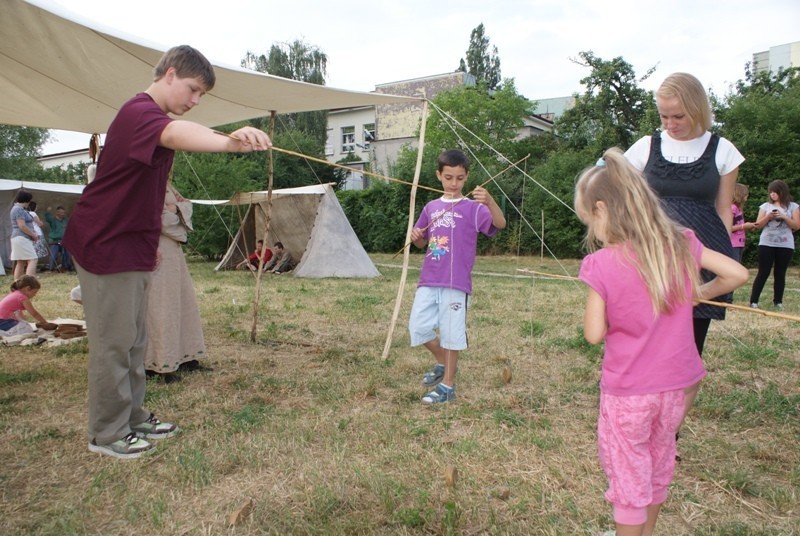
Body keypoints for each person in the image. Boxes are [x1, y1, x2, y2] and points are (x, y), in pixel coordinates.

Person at [62, 45, 271, 460]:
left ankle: (133, 416)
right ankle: (107, 434)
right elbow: (177, 134)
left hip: (132, 244)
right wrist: (231, 142)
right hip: (105, 243)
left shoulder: (152, 119)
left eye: (201, 97)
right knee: (114, 344)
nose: (194, 101)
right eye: (193, 90)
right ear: (170, 74)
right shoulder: (139, 112)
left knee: (135, 341)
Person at [576, 149, 748, 536]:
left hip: (628, 395)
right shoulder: (681, 242)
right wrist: (697, 292)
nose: (592, 231)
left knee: (628, 480)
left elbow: (592, 334)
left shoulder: (600, 264)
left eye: (589, 221)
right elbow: (737, 273)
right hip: (675, 389)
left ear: (603, 209)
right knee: (655, 466)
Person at [625, 72, 745, 358]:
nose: (670, 124)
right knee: (646, 346)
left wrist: (720, 261)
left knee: (688, 352)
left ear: (697, 108)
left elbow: (722, 210)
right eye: (664, 116)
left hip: (699, 261)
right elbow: (623, 200)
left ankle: (679, 404)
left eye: (678, 116)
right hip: (651, 257)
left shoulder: (724, 150)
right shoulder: (645, 147)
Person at [409, 149, 506, 404]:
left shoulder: (473, 209)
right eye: (449, 177)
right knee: (418, 327)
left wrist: (490, 201)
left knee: (452, 333)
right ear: (439, 175)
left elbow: (500, 224)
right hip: (429, 278)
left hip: (457, 282)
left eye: (460, 178)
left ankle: (448, 385)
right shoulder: (431, 207)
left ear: (467, 177)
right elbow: (421, 242)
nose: (454, 183)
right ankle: (443, 360)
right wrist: (416, 237)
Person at [144, 182, 207, 383]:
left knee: (182, 302)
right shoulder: (146, 182)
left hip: (173, 251)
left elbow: (186, 205)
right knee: (161, 308)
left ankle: (186, 357)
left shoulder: (166, 183)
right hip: (155, 247)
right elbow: (152, 217)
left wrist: (175, 209)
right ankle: (159, 364)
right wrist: (175, 211)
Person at [748, 180, 800, 310]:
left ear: (782, 192)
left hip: (785, 244)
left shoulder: (793, 206)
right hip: (766, 243)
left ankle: (778, 301)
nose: (772, 194)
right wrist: (768, 217)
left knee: (780, 273)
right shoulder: (765, 206)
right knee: (763, 271)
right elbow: (757, 225)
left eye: (775, 192)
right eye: (770, 192)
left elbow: (797, 226)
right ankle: (754, 301)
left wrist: (784, 217)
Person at [9, 191, 39, 280]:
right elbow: (22, 225)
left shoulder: (19, 209)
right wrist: (33, 235)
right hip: (21, 237)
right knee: (33, 259)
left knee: (21, 261)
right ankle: (30, 282)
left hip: (19, 238)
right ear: (27, 200)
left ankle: (17, 282)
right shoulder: (18, 209)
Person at [730, 183, 755, 263]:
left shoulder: (739, 208)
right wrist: (743, 226)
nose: (747, 196)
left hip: (739, 243)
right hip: (732, 243)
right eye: (746, 194)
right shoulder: (732, 208)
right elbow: (728, 227)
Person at [44, 206, 74, 272]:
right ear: (57, 213)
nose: (62, 214)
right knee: (53, 255)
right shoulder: (53, 220)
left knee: (67, 255)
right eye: (61, 212)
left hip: (64, 241)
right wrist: (47, 212)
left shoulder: (66, 220)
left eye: (63, 212)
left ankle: (65, 268)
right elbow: (47, 218)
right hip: (54, 241)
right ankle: (52, 268)